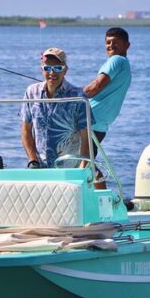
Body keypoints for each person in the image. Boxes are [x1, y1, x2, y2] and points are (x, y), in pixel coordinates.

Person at [20, 48, 90, 168]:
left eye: (57, 68)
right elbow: (26, 130)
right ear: (42, 70)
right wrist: (33, 161)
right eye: (47, 68)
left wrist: (82, 169)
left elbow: (86, 137)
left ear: (65, 70)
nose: (52, 73)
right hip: (39, 168)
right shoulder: (31, 92)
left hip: (69, 169)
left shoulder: (78, 97)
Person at [82, 27, 131, 188]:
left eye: (115, 42)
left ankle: (104, 201)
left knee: (84, 163)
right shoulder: (124, 65)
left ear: (126, 45)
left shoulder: (117, 61)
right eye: (108, 42)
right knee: (85, 163)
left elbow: (95, 87)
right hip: (98, 123)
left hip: (91, 120)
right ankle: (100, 199)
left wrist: (74, 94)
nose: (111, 46)